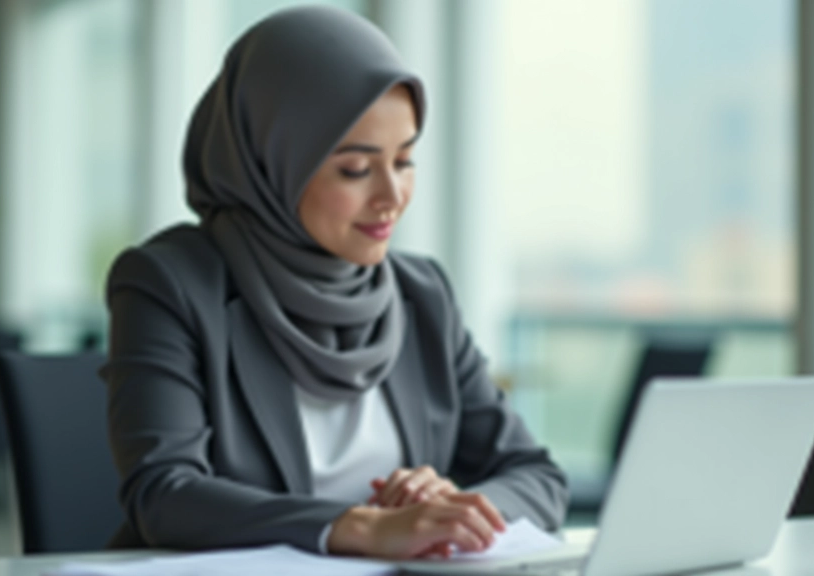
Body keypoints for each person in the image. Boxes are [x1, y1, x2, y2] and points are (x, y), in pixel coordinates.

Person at [101, 5, 567, 560]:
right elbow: (164, 494)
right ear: (273, 161)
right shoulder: (170, 284)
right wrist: (364, 528)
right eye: (355, 168)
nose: (392, 195)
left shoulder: (421, 293)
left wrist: (456, 508)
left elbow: (536, 475)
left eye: (405, 159)